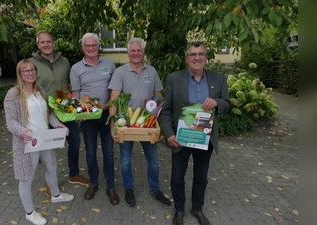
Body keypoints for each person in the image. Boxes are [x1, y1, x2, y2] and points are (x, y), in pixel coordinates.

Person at [158, 41, 230, 225]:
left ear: (206, 57)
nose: (197, 58)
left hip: (204, 138)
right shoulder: (174, 78)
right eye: (193, 54)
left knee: (201, 177)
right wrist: (169, 134)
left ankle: (197, 208)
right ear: (186, 58)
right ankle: (179, 209)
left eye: (201, 54)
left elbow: (226, 104)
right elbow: (166, 111)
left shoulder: (218, 79)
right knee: (176, 177)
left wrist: (216, 103)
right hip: (181, 138)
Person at [4, 59, 75, 225]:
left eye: (32, 70)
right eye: (26, 71)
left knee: (52, 167)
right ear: (20, 74)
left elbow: (48, 114)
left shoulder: (40, 90)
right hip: (27, 142)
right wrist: (23, 132)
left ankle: (56, 195)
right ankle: (30, 212)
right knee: (26, 177)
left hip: (44, 138)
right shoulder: (13, 94)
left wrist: (58, 124)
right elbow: (11, 121)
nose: (30, 73)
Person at [108, 38, 171, 207]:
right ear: (128, 53)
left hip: (147, 124)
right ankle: (129, 189)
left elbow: (158, 97)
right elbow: (113, 100)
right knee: (125, 160)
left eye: (139, 50)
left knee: (154, 161)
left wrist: (158, 125)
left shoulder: (152, 71)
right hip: (126, 124)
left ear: (143, 52)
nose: (136, 53)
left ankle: (155, 189)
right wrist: (113, 127)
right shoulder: (120, 72)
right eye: (133, 51)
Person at [29, 30, 90, 198]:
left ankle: (74, 174)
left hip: (63, 111)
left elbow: (70, 85)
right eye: (42, 42)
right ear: (38, 45)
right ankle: (51, 182)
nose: (46, 44)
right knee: (47, 148)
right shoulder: (31, 64)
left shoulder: (64, 61)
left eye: (49, 41)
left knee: (75, 141)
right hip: (43, 113)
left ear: (54, 43)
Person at [69, 33, 119, 205]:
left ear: (98, 46)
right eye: (87, 46)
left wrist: (108, 107)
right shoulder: (76, 68)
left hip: (106, 115)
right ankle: (94, 183)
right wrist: (77, 114)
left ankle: (110, 187)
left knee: (109, 152)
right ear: (83, 48)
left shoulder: (109, 64)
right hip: (88, 116)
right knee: (90, 152)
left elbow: (115, 90)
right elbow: (75, 95)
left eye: (94, 45)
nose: (91, 48)